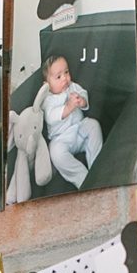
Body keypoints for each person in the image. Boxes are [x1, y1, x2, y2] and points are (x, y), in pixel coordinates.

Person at [40, 53, 102, 188]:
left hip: (80, 129)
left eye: (66, 72)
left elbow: (83, 92)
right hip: (61, 139)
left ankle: (96, 168)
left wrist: (82, 101)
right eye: (58, 77)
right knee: (55, 152)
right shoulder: (48, 99)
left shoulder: (72, 86)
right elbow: (50, 117)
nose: (65, 79)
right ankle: (82, 178)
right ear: (47, 85)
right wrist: (68, 107)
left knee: (94, 125)